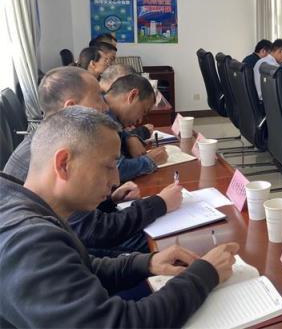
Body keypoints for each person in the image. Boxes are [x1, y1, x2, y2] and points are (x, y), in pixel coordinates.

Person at [0, 106, 239, 328]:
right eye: (108, 166)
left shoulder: (25, 205)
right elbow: (119, 324)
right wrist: (205, 274)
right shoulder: (29, 242)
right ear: (64, 164)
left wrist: (146, 263)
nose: (115, 180)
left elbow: (82, 266)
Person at [2, 66, 180, 256]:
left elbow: (81, 219)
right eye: (98, 98)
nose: (105, 106)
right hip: (78, 249)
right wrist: (159, 203)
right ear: (71, 108)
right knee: (167, 239)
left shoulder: (51, 139)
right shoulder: (57, 153)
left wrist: (109, 200)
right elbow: (97, 232)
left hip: (76, 239)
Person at [104, 74, 168, 181]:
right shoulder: (100, 118)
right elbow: (114, 170)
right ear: (132, 96)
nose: (140, 120)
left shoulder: (110, 114)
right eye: (143, 111)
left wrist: (129, 136)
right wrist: (150, 160)